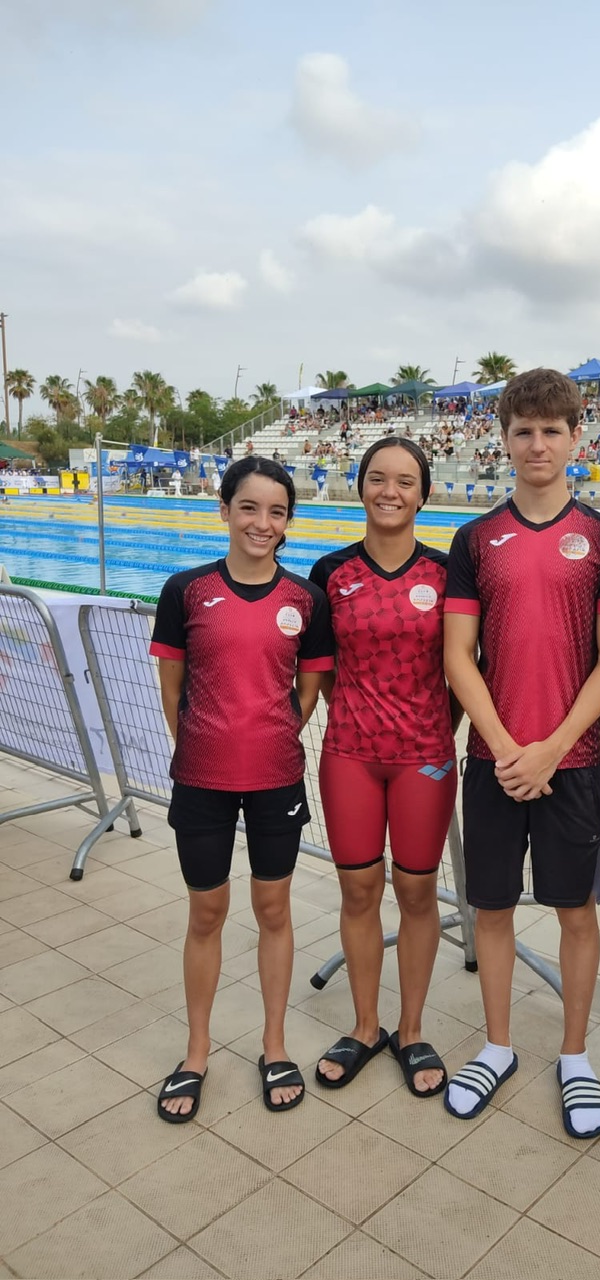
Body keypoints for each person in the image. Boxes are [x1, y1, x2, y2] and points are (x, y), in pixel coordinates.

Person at [443, 368, 600, 1138]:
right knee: (490, 909)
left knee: (575, 912)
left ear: (576, 439)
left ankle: (576, 1056)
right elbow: (460, 655)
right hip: (494, 762)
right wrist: (503, 748)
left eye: (552, 430)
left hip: (573, 762)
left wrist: (551, 750)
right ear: (504, 440)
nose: (537, 443)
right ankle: (496, 1046)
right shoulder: (474, 538)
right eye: (523, 430)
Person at [150, 456, 333, 1122]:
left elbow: (310, 691)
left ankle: (274, 1043)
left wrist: (267, 734)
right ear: (224, 511)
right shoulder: (187, 591)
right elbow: (171, 689)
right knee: (206, 914)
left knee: (275, 911)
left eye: (276, 511)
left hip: (275, 778)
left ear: (288, 521)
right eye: (249, 508)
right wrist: (202, 741)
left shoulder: (304, 601)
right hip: (200, 779)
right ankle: (196, 1051)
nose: (262, 522)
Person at [310, 439, 458, 1097]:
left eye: (404, 481)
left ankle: (415, 1026)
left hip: (424, 757)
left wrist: (432, 733)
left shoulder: (449, 575)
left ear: (423, 493)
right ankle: (367, 1026)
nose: (389, 491)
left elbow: (467, 669)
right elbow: (317, 668)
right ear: (360, 487)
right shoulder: (331, 572)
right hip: (350, 754)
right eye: (376, 478)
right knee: (359, 890)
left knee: (417, 892)